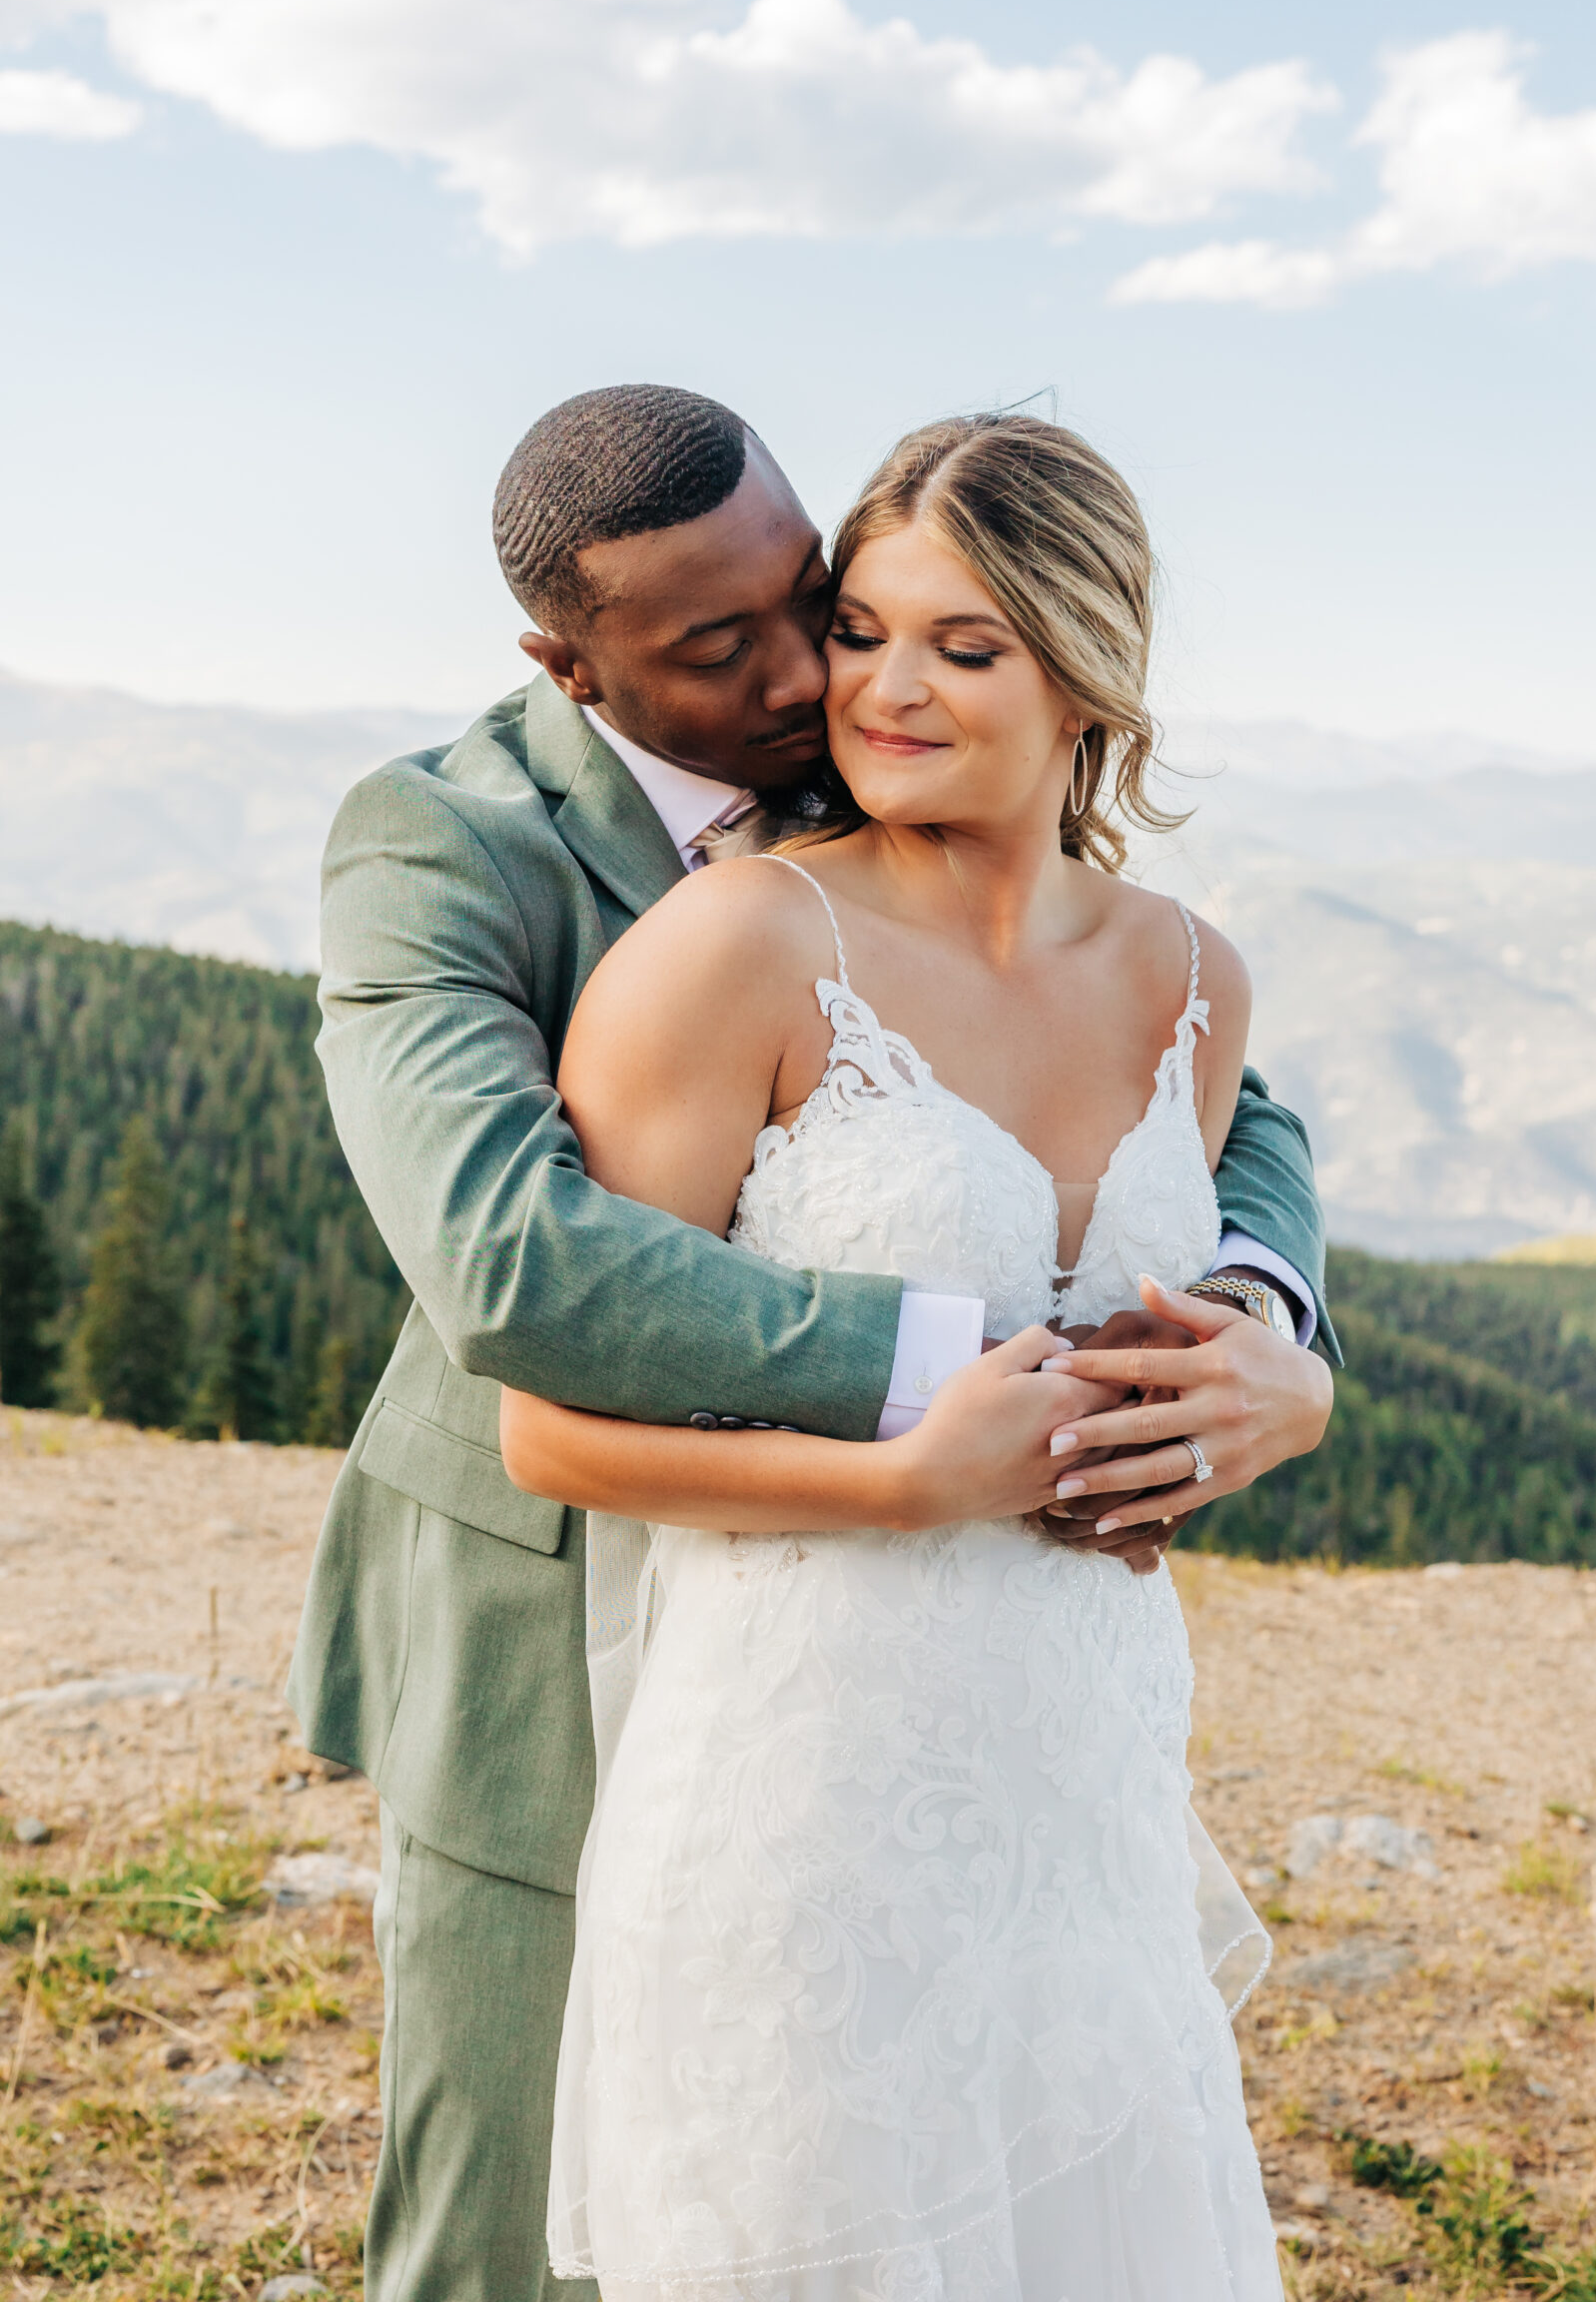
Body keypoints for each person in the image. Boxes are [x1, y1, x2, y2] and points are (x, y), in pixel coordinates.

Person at [288, 385, 1336, 2302]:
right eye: (729, 648)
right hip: (552, 1618)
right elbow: (515, 1268)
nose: (811, 679)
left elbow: (1217, 1110)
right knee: (517, 2232)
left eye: (815, 602)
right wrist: (972, 1381)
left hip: (1017, 1723)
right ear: (570, 664)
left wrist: (1270, 1328)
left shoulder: (950, 814)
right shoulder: (444, 844)